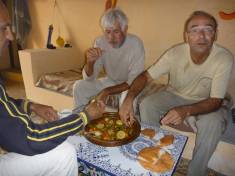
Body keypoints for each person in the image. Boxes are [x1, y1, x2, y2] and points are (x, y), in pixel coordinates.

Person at [119, 11, 234, 176]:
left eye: (207, 30)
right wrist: (129, 99)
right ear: (186, 36)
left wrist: (186, 110)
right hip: (176, 94)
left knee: (213, 122)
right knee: (148, 104)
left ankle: (196, 171)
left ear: (215, 35)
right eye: (194, 30)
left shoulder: (224, 58)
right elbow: (145, 76)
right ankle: (154, 152)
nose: (201, 35)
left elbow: (216, 100)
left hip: (208, 100)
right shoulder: (174, 53)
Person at [0, 1, 105, 176]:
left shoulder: (134, 45)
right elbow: (32, 138)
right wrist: (84, 117)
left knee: (61, 117)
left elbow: (5, 106)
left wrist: (32, 106)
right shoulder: (100, 43)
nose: (11, 36)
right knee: (64, 154)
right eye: (4, 28)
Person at [73, 8, 145, 109]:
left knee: (127, 100)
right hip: (111, 81)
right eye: (107, 32)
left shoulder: (136, 44)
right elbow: (89, 78)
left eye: (116, 31)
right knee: (79, 86)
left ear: (125, 30)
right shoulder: (100, 42)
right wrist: (90, 63)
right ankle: (81, 120)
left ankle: (126, 125)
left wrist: (106, 91)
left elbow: (133, 81)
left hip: (131, 86)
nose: (111, 38)